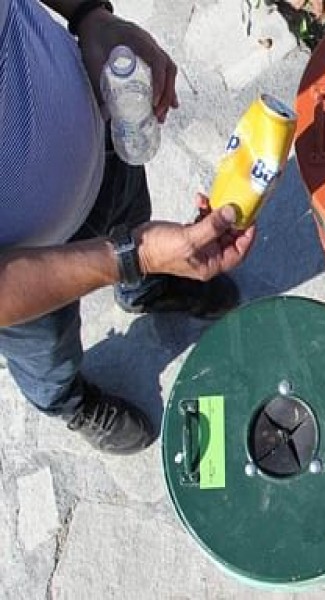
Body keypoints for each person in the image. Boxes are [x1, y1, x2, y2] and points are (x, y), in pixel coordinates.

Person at [0, 0, 256, 454]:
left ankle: (146, 288)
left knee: (131, 210)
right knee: (47, 355)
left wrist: (89, 16)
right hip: (26, 277)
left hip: (103, 138)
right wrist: (130, 254)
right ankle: (67, 401)